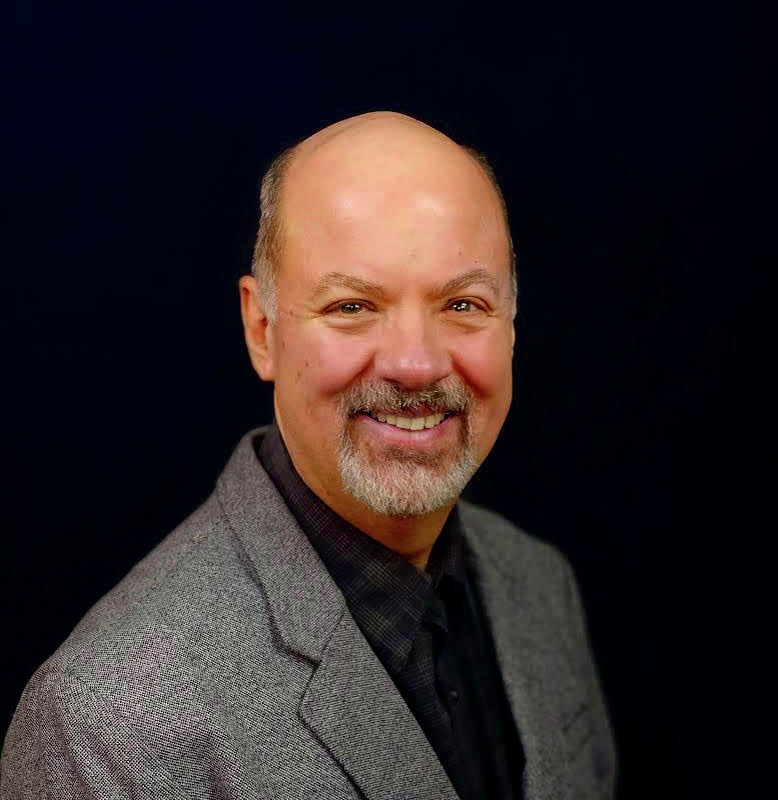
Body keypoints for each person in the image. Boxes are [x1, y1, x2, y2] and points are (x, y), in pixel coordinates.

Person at [1, 111, 616, 799]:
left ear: (512, 325)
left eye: (463, 304)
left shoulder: (539, 585)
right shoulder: (106, 721)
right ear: (261, 329)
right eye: (353, 306)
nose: (415, 364)